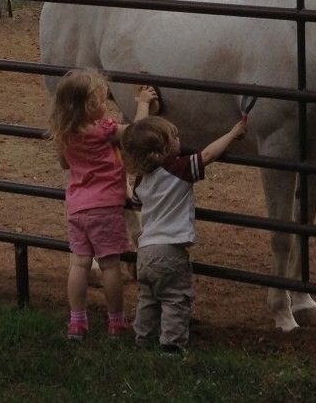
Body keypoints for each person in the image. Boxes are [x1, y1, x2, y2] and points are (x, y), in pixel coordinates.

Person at [48, 68, 158, 341]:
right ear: (87, 107)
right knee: (110, 266)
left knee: (80, 264)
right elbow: (135, 133)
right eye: (99, 101)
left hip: (76, 209)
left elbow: (65, 163)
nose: (105, 105)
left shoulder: (65, 134)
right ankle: (116, 321)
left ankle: (77, 321)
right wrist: (142, 103)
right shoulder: (104, 130)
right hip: (106, 208)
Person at [121, 115, 247, 354]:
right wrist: (232, 134)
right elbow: (208, 155)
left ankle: (143, 339)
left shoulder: (140, 181)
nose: (180, 140)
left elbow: (136, 203)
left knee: (148, 298)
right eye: (174, 138)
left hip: (145, 252)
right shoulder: (179, 169)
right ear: (161, 152)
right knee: (175, 299)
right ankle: (172, 345)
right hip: (169, 252)